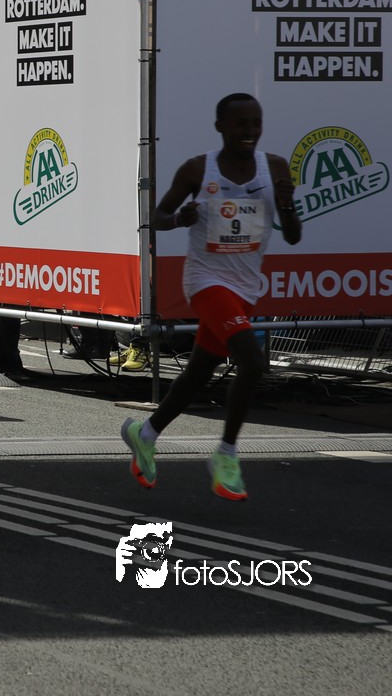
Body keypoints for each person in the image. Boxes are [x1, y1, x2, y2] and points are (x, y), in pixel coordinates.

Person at [121, 93, 302, 500]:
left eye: (256, 123)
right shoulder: (197, 169)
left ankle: (144, 433)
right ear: (220, 127)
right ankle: (226, 454)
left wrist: (288, 205)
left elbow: (293, 236)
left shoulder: (274, 167)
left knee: (199, 372)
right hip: (206, 281)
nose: (250, 132)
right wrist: (179, 218)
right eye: (240, 124)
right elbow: (156, 217)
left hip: (245, 286)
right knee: (252, 362)